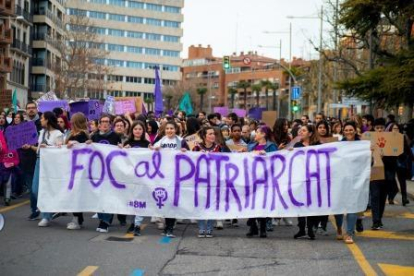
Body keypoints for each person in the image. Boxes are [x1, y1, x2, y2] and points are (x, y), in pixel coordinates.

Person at [22, 112, 64, 226]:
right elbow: (39, 150)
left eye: (42, 118)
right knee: (35, 190)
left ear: (48, 120)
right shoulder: (41, 133)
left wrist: (49, 147)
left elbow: (61, 150)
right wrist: (30, 147)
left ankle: (46, 216)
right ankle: (48, 212)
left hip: (51, 165)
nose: (40, 120)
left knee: (48, 189)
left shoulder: (58, 134)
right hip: (39, 161)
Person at [151, 121, 189, 238]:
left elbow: (190, 154)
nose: (169, 130)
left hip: (176, 176)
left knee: (173, 202)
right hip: (164, 176)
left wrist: (185, 151)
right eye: (167, 128)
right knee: (167, 202)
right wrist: (152, 148)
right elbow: (152, 149)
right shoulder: (162, 140)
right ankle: (167, 226)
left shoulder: (181, 141)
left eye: (172, 128)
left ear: (176, 129)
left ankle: (170, 228)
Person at [89, 115, 122, 233]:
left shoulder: (115, 136)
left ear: (110, 124)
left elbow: (121, 153)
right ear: (99, 124)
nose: (105, 124)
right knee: (99, 195)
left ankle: (105, 221)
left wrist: (120, 148)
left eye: (107, 122)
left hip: (111, 171)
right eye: (102, 122)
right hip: (98, 171)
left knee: (108, 195)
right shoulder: (94, 136)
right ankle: (103, 217)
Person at [246, 126, 278, 238]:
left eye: (258, 132)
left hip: (266, 179)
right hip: (252, 178)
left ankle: (262, 228)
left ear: (263, 134)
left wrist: (266, 155)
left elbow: (276, 159)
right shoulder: (251, 146)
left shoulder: (271, 146)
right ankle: (253, 226)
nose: (256, 134)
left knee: (262, 203)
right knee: (253, 203)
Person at [334, 121, 362, 244]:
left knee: (352, 206)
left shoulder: (362, 145)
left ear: (355, 131)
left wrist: (370, 153)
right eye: (346, 130)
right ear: (343, 132)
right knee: (339, 207)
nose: (349, 132)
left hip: (356, 180)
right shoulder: (339, 145)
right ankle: (339, 228)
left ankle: (349, 233)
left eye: (351, 130)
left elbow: (368, 163)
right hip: (340, 180)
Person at [192, 126, 223, 238]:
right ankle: (201, 228)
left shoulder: (218, 147)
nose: (212, 136)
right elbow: (191, 161)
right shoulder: (197, 148)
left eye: (213, 133)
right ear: (204, 136)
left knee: (213, 204)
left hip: (214, 180)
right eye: (210, 134)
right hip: (200, 180)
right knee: (200, 204)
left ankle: (209, 228)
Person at [123, 121, 151, 236]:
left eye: (140, 129)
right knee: (131, 200)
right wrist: (124, 149)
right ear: (132, 130)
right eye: (135, 129)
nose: (138, 131)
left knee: (140, 200)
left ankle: (138, 225)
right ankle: (132, 223)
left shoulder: (147, 143)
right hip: (130, 177)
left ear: (143, 130)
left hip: (142, 177)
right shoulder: (128, 142)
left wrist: (152, 149)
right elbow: (122, 159)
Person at [293, 124, 320, 240]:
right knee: (300, 203)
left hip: (313, 179)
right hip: (300, 179)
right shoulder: (297, 145)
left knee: (311, 203)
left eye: (304, 131)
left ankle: (310, 228)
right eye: (300, 130)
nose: (301, 132)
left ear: (310, 133)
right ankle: (301, 228)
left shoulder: (318, 146)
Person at [65, 113, 89, 230]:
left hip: (79, 168)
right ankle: (77, 217)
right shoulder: (71, 134)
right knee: (73, 193)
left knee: (76, 193)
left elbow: (83, 147)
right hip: (71, 167)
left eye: (72, 121)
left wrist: (73, 144)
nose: (70, 122)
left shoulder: (82, 134)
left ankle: (77, 218)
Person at [370, 118, 387, 230]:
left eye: (381, 127)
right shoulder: (369, 140)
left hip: (387, 173)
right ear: (374, 128)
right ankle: (375, 221)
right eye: (377, 128)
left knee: (382, 197)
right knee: (375, 196)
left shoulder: (389, 140)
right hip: (374, 171)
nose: (379, 129)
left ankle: (379, 218)